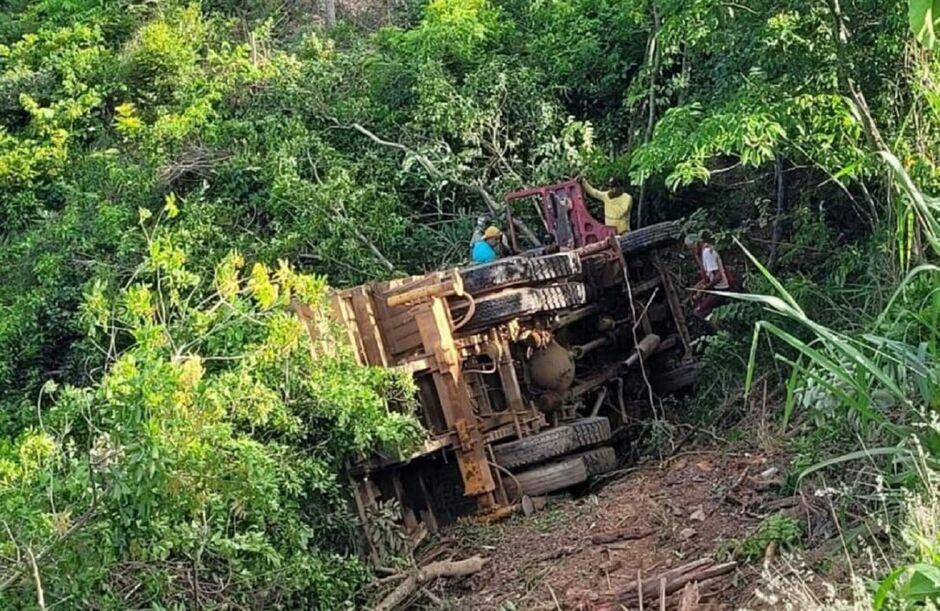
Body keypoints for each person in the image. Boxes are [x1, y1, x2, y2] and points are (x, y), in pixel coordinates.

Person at [685, 233, 733, 320]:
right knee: (696, 302)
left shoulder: (708, 253)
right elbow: (706, 275)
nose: (692, 251)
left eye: (692, 249)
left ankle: (715, 330)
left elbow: (718, 277)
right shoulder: (702, 254)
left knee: (698, 312)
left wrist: (706, 288)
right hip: (714, 287)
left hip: (721, 288)